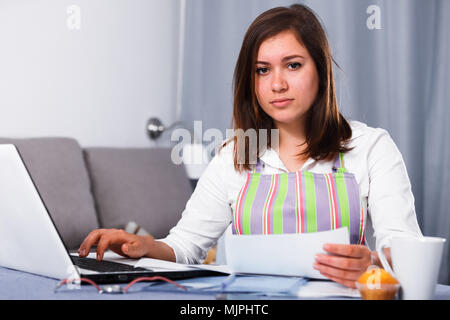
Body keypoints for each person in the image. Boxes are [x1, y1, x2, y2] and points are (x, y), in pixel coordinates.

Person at [78, 4, 422, 289]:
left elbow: (405, 253)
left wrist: (374, 262)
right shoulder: (233, 155)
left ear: (320, 71)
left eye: (293, 65)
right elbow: (186, 246)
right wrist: (147, 246)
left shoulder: (372, 148)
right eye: (262, 70)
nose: (277, 84)